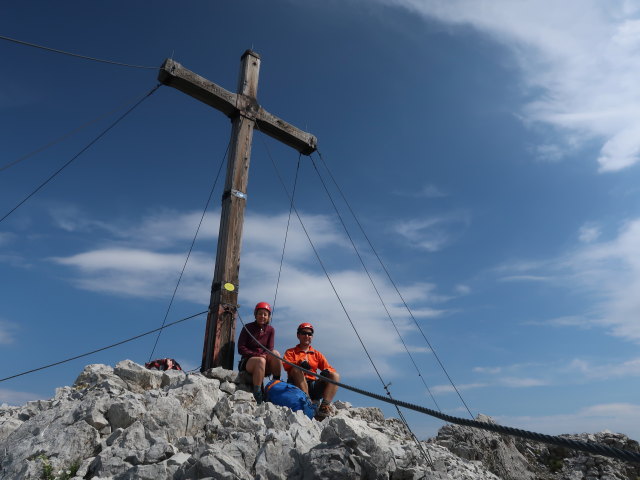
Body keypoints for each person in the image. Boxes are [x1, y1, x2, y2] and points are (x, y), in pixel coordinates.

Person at [284, 322, 340, 420]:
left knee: (335, 376)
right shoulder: (291, 352)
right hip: (297, 384)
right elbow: (286, 364)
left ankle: (324, 407)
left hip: (313, 385)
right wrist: (300, 362)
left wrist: (326, 371)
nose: (307, 336)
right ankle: (308, 403)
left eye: (309, 334)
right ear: (298, 335)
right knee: (296, 369)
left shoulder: (317, 354)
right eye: (304, 333)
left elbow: (330, 368)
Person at [237, 302, 282, 404]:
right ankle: (258, 393)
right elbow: (241, 348)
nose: (262, 316)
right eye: (260, 313)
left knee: (276, 354)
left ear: (268, 316)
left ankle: (275, 384)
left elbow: (270, 348)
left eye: (265, 314)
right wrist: (257, 355)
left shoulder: (270, 330)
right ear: (255, 314)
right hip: (248, 361)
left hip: (264, 359)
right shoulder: (247, 328)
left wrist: (264, 355)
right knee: (260, 360)